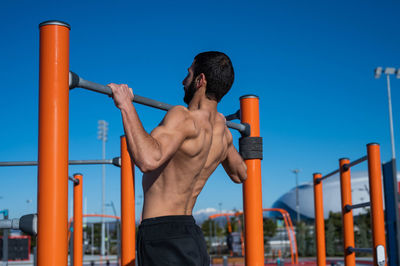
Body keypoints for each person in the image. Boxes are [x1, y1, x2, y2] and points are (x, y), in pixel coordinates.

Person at [109, 51, 247, 266]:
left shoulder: (183, 117)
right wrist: (250, 139)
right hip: (191, 234)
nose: (183, 81)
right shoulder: (224, 133)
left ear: (200, 80)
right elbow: (241, 174)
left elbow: (147, 159)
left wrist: (126, 104)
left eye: (189, 74)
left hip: (162, 235)